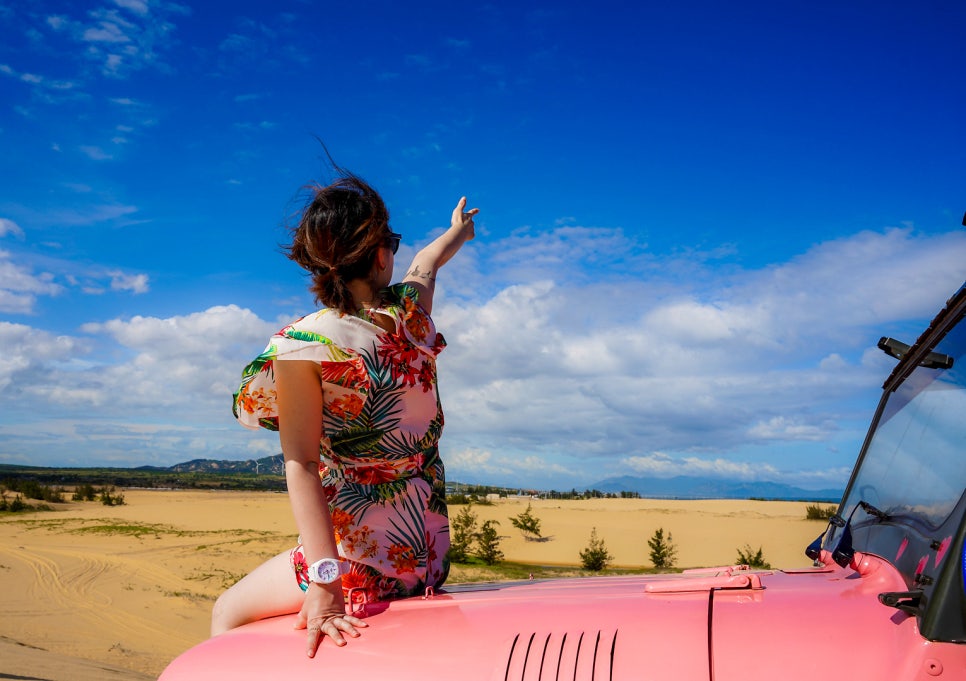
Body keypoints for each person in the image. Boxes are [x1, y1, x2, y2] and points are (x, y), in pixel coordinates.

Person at [211, 167, 478, 658]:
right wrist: (456, 232)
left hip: (361, 564)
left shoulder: (304, 345)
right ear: (379, 255)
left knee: (226, 610)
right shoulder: (412, 320)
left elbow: (303, 465)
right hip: (429, 555)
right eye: (391, 242)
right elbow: (426, 266)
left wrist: (325, 582)